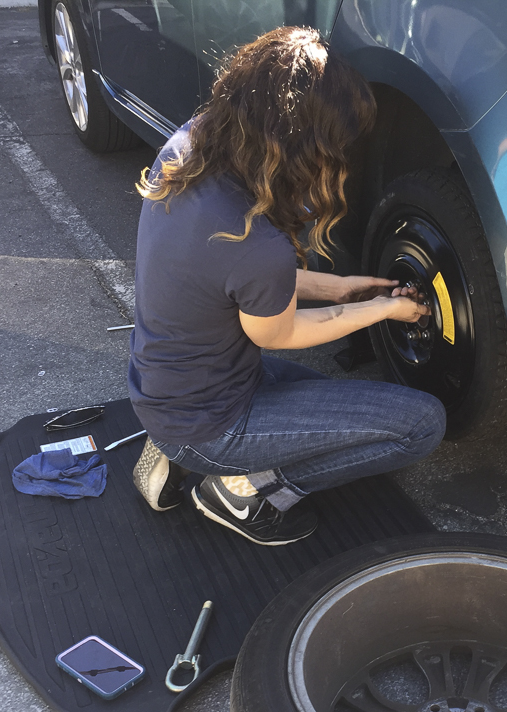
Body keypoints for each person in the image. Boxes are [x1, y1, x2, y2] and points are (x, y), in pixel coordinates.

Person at [127, 26, 445, 546]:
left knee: (343, 407)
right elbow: (278, 332)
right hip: (214, 417)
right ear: (303, 143)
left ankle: (173, 445)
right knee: (420, 425)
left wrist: (342, 288)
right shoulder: (255, 240)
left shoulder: (191, 143)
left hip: (171, 381)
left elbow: (234, 280)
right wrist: (384, 310)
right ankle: (243, 488)